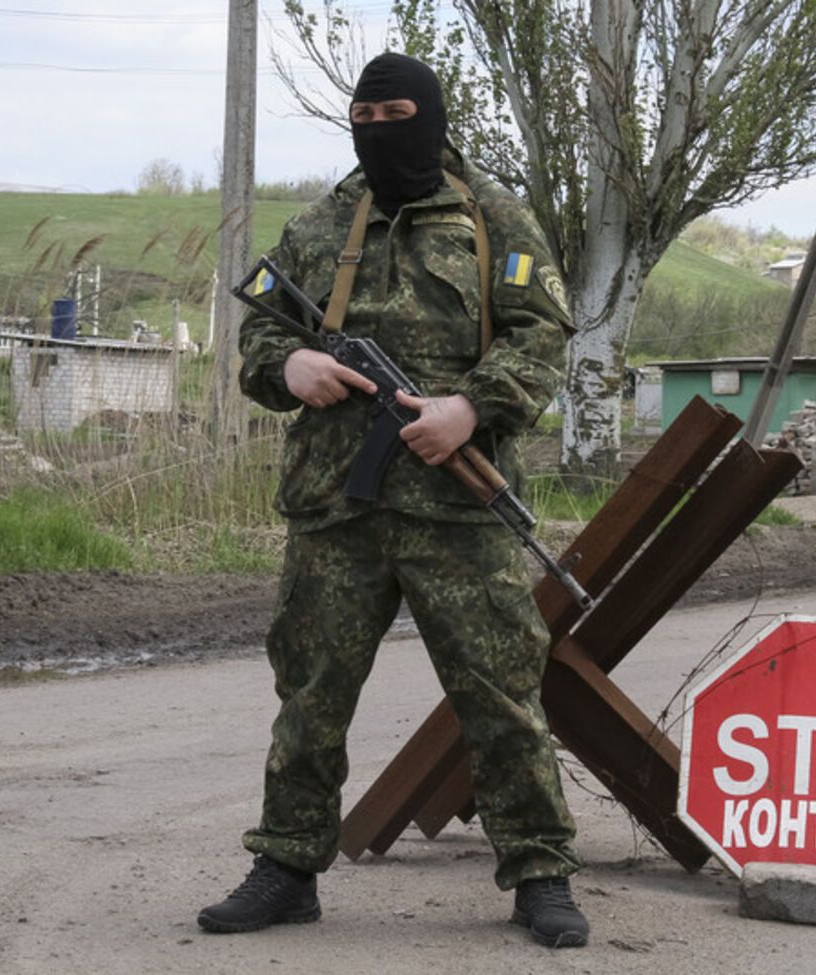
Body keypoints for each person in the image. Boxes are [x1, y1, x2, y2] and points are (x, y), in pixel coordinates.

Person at [196, 52, 588, 949]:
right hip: (338, 504)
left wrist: (470, 408)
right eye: (362, 117)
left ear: (434, 116)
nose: (377, 130)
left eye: (395, 113)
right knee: (311, 693)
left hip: (457, 506)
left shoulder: (494, 219)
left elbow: (541, 337)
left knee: (502, 691)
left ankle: (539, 869)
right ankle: (287, 864)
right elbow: (261, 327)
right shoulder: (326, 221)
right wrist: (287, 365)